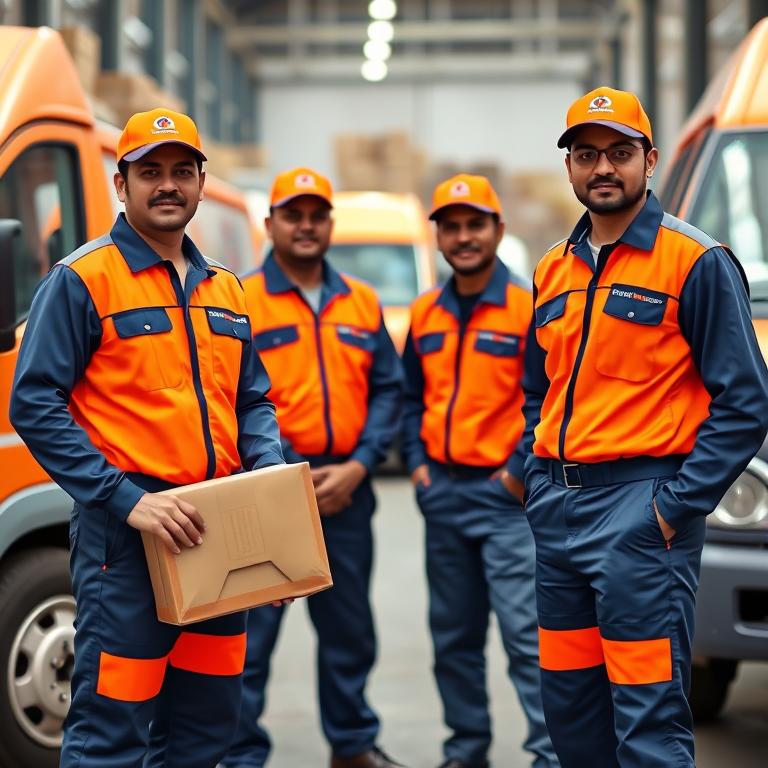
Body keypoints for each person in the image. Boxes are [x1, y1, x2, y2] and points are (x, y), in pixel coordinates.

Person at [9, 108, 285, 768]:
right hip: (126, 541)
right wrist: (127, 498)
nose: (168, 185)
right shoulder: (82, 281)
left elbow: (252, 399)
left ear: (199, 182)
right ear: (121, 183)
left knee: (205, 730)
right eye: (151, 172)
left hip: (218, 534)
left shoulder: (225, 287)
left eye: (182, 172)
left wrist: (269, 485)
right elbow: (34, 402)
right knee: (112, 732)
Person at [522, 86, 768, 768]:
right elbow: (535, 392)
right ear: (569, 166)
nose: (603, 168)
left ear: (650, 160)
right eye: (587, 154)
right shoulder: (553, 271)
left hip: (640, 517)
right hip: (560, 514)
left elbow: (746, 401)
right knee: (570, 714)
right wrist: (536, 482)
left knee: (647, 722)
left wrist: (671, 509)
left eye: (620, 153)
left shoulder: (696, 262)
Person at [221, 168, 404, 768]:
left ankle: (351, 745)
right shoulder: (239, 299)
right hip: (267, 491)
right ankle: (240, 752)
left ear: (330, 224)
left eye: (316, 214)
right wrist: (271, 481)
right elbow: (228, 396)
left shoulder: (362, 300)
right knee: (251, 636)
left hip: (345, 492)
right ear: (269, 223)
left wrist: (360, 464)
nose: (305, 225)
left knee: (349, 630)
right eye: (292, 214)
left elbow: (387, 389)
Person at [401, 174, 558, 768]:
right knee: (454, 641)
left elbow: (547, 398)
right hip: (442, 496)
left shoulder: (529, 308)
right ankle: (466, 752)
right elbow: (411, 398)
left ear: (498, 229)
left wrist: (517, 475)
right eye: (452, 226)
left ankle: (549, 754)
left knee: (527, 639)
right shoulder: (424, 312)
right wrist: (417, 468)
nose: (463, 237)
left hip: (505, 502)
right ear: (438, 235)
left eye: (475, 225)